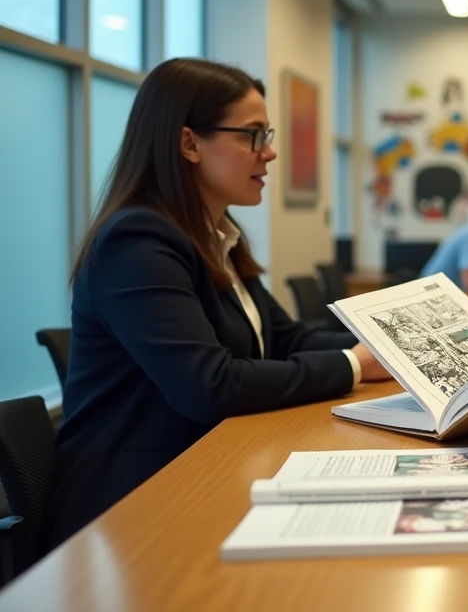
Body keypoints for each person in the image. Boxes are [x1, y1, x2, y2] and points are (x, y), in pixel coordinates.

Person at [45, 58, 392, 549]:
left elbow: (283, 337)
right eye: (252, 136)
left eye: (266, 134)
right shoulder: (136, 242)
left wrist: (396, 345)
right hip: (131, 506)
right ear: (189, 143)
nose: (269, 153)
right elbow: (209, 385)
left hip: (207, 462)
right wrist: (354, 364)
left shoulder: (214, 235)